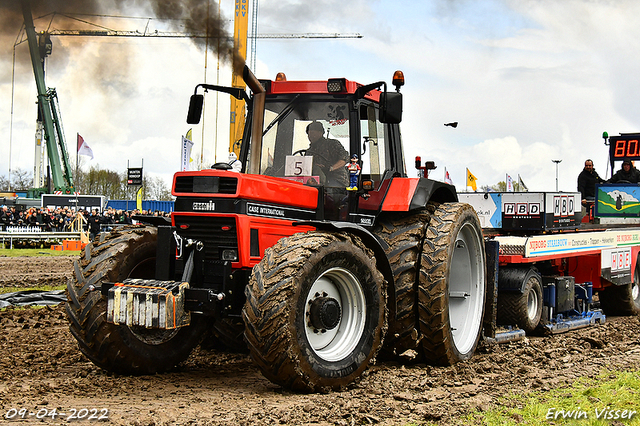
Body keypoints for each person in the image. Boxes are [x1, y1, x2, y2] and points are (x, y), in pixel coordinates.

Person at [305, 121, 348, 187]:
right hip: (316, 181)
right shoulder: (309, 151)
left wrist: (330, 168)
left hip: (336, 180)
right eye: (309, 134)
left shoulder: (332, 144)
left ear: (321, 133)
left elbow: (344, 158)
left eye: (313, 133)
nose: (310, 136)